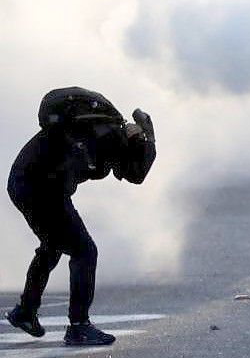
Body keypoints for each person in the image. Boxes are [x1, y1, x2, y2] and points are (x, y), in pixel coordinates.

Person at [4, 87, 156, 346]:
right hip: (41, 189)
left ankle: (25, 312)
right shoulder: (109, 135)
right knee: (85, 251)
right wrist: (145, 142)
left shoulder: (99, 130)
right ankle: (79, 326)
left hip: (26, 183)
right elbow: (135, 174)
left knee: (53, 245)